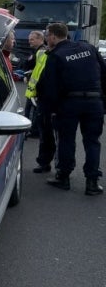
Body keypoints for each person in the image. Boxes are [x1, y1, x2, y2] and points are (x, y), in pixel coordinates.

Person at [37, 22, 105, 195]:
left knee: (66, 140)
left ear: (53, 36)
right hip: (94, 102)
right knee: (92, 142)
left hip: (69, 103)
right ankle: (91, 182)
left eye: (47, 35)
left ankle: (63, 177)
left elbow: (49, 86)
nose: (46, 38)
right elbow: (104, 73)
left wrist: (49, 109)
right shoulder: (89, 48)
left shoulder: (56, 55)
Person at [24, 30, 56, 173]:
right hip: (36, 92)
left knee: (48, 132)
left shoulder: (43, 52)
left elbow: (42, 72)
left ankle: (57, 169)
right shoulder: (40, 52)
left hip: (41, 95)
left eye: (32, 39)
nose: (29, 41)